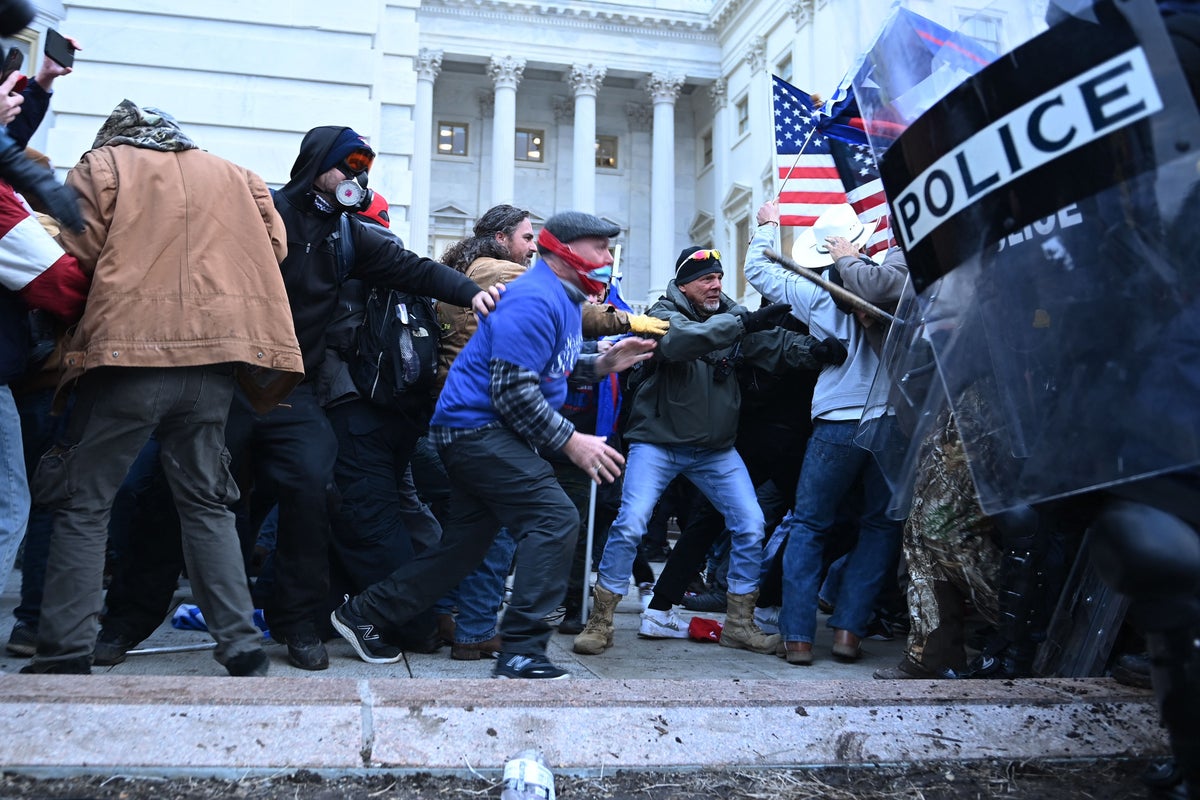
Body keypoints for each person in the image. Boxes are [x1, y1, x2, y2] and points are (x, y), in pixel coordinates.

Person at [23, 100, 303, 675]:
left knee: (83, 502)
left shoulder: (103, 166)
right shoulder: (238, 176)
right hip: (214, 363)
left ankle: (65, 650)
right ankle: (240, 644)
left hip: (127, 358)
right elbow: (273, 249)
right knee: (208, 504)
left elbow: (75, 251)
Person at [219, 125, 498, 671]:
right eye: (349, 166)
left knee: (311, 494)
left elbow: (414, 269)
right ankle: (135, 619)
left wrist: (473, 291)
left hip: (293, 390)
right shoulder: (263, 213)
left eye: (364, 169)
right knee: (203, 499)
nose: (358, 178)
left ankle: (299, 625)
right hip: (230, 383)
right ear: (316, 164)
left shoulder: (348, 235)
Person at [331, 210, 656, 679]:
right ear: (566, 251)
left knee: (462, 550)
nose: (608, 258)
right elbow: (512, 391)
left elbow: (546, 371)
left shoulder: (563, 301)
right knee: (555, 518)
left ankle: (363, 613)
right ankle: (522, 650)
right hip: (476, 431)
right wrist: (572, 441)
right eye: (600, 248)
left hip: (480, 432)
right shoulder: (533, 298)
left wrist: (600, 366)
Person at [574, 245, 842, 657]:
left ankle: (739, 624)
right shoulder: (661, 314)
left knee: (750, 524)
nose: (716, 284)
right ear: (684, 285)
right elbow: (682, 342)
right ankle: (601, 621)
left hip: (714, 450)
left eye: (718, 277)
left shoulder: (730, 316)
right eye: (705, 279)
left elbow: (772, 343)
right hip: (658, 443)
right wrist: (742, 323)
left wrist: (814, 351)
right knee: (630, 524)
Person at [744, 200, 903, 666]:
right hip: (889, 417)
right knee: (880, 525)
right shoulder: (890, 282)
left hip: (836, 418)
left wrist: (768, 225)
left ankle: (797, 637)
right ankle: (849, 631)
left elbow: (758, 270)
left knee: (811, 524)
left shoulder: (814, 293)